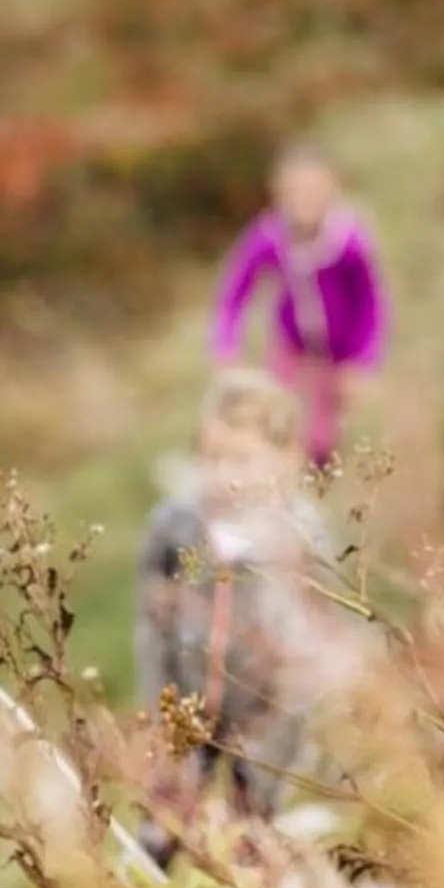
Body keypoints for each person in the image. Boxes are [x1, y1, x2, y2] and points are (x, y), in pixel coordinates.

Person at [133, 369, 355, 863]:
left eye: (242, 459)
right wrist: (157, 707)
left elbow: (319, 635)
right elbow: (153, 625)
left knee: (251, 832)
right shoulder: (175, 527)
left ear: (286, 459)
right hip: (186, 705)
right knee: (166, 825)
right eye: (210, 458)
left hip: (266, 714)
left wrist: (293, 713)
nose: (223, 474)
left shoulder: (302, 538)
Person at [209, 144, 386, 468]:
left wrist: (362, 362)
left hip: (339, 353)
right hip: (291, 345)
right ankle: (274, 480)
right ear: (277, 194)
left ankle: (319, 484)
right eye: (294, 192)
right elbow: (234, 293)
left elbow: (371, 306)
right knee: (277, 418)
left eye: (313, 191)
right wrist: (226, 348)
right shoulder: (270, 237)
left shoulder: (348, 242)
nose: (303, 201)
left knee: (325, 437)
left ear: (333, 190)